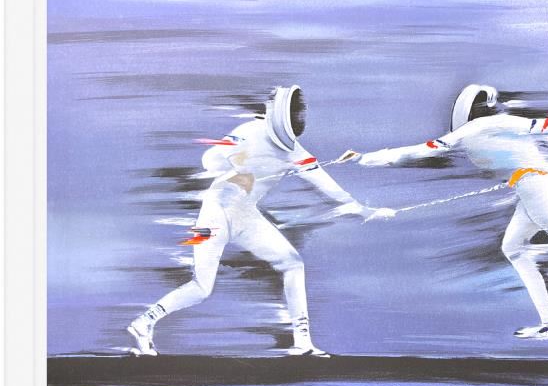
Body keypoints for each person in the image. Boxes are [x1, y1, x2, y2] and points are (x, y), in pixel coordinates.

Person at [339, 85, 548, 358]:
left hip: (541, 194)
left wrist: (365, 159)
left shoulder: (479, 127)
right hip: (532, 193)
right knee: (513, 247)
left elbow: (422, 150)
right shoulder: (497, 127)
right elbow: (547, 129)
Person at [129, 85, 389, 358]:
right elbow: (210, 159)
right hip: (215, 211)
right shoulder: (249, 131)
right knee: (202, 288)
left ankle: (302, 343)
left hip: (244, 214)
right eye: (297, 112)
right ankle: (145, 322)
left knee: (291, 264)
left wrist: (365, 211)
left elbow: (326, 184)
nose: (300, 118)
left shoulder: (294, 151)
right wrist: (237, 164)